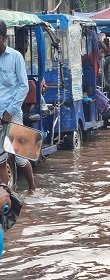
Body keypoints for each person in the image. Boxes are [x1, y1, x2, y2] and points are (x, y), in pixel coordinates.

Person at [0, 20, 35, 194]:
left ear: (4, 38)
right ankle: (6, 197)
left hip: (12, 114)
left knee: (21, 159)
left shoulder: (15, 57)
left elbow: (24, 87)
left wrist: (10, 111)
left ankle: (32, 188)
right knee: (0, 161)